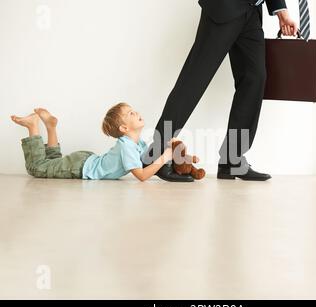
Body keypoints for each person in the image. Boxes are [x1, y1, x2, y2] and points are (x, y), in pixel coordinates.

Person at [142, 0, 298, 182]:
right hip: (224, 7)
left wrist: (281, 12)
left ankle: (232, 160)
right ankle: (157, 153)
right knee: (196, 77)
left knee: (255, 78)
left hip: (252, 12)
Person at [10, 103, 178, 182]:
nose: (137, 112)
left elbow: (145, 163)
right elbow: (141, 176)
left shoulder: (136, 143)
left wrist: (172, 149)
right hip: (81, 166)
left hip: (84, 162)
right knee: (37, 167)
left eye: (134, 111)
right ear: (124, 128)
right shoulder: (127, 146)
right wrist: (166, 156)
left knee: (51, 163)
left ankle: (51, 127)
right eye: (131, 113)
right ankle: (33, 126)